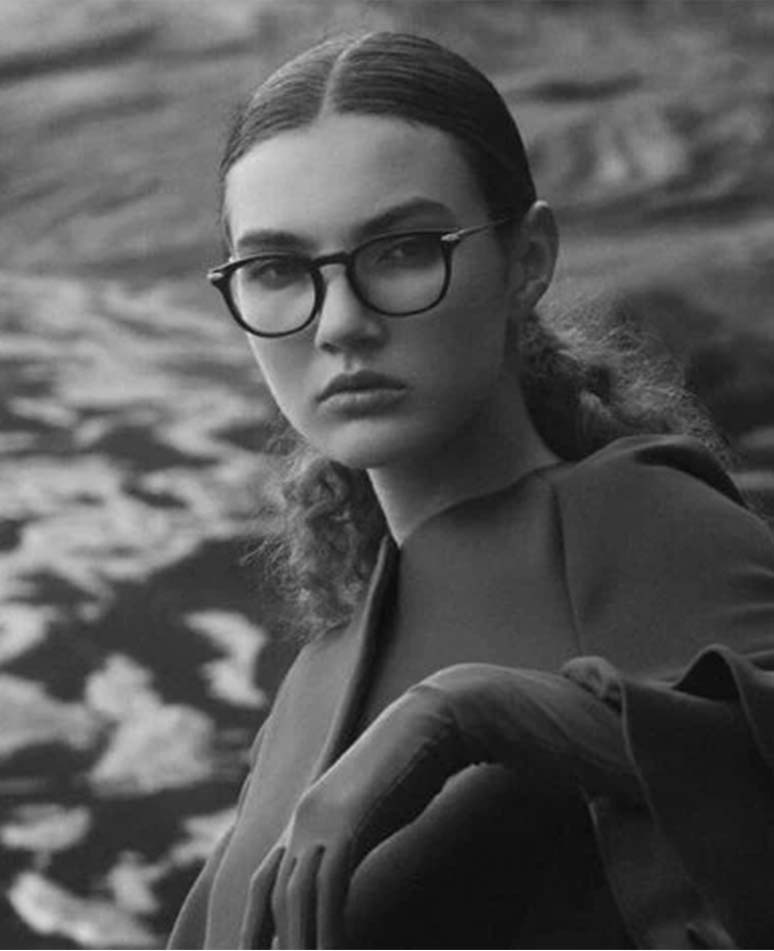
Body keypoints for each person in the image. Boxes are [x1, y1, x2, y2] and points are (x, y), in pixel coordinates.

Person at [169, 31, 774, 949]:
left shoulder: (635, 518)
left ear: (527, 259)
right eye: (277, 270)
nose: (340, 323)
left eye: (403, 250)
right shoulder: (308, 691)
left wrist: (475, 713)